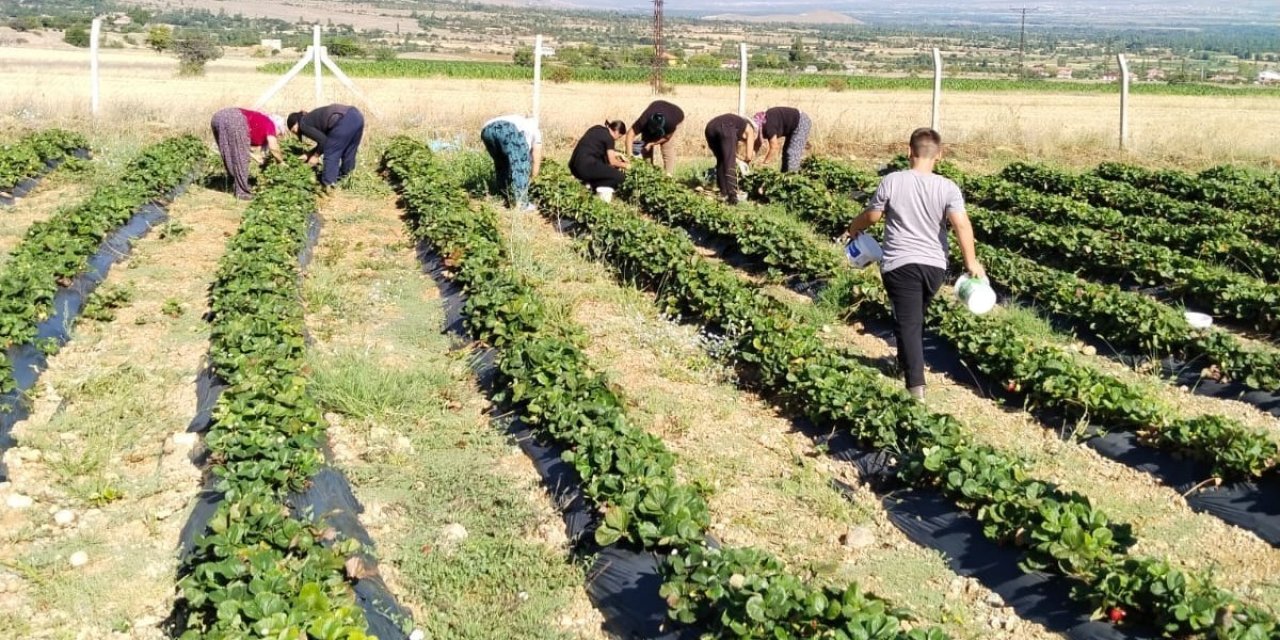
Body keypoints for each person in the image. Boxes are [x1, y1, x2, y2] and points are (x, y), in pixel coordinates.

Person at [844, 127, 985, 400]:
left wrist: (854, 226)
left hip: (900, 264)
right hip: (934, 268)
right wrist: (971, 262)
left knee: (907, 322)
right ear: (939, 155)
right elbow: (962, 225)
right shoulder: (948, 187)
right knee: (912, 318)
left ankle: (915, 389)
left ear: (908, 151)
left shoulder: (893, 180)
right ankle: (903, 363)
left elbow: (873, 216)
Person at [209, 107, 284, 200]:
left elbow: (239, 148)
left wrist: (255, 157)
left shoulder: (261, 123)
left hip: (217, 118)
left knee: (229, 153)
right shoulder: (271, 124)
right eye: (280, 133)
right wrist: (281, 162)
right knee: (241, 160)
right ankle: (242, 192)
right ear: (278, 127)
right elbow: (274, 147)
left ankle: (233, 182)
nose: (278, 136)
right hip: (234, 118)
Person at [286, 104, 365, 188]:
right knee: (349, 151)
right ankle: (347, 178)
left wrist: (315, 156)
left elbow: (324, 142)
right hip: (356, 116)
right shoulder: (309, 118)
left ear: (295, 123)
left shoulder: (303, 124)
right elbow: (325, 141)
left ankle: (329, 184)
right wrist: (309, 154)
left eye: (292, 130)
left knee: (331, 153)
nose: (294, 133)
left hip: (343, 120)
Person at [480, 113, 543, 210]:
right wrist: (533, 177)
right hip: (506, 128)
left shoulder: (521, 122)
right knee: (520, 165)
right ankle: (521, 205)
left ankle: (504, 196)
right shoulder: (535, 130)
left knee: (502, 164)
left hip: (486, 130)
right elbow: (536, 156)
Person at [703, 113, 756, 205]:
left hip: (710, 128)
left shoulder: (737, 126)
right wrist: (747, 159)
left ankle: (724, 192)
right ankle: (732, 197)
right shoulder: (749, 128)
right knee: (729, 163)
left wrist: (738, 159)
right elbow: (749, 154)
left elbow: (732, 153)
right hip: (725, 127)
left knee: (722, 160)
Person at [569, 120, 629, 196]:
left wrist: (618, 154)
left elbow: (595, 148)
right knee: (620, 177)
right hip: (585, 167)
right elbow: (612, 162)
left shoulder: (597, 128)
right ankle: (593, 185)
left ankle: (586, 182)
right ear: (616, 132)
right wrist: (627, 165)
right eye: (619, 136)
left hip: (574, 165)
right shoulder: (609, 138)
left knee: (603, 165)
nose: (617, 139)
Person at [624, 100, 684, 175]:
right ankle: (648, 173)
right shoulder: (644, 119)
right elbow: (630, 134)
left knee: (667, 148)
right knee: (645, 146)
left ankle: (668, 177)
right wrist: (630, 157)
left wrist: (651, 143)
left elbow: (666, 138)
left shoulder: (670, 124)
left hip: (674, 113)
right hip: (656, 106)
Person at [753, 106, 812, 172]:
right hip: (794, 124)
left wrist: (765, 163)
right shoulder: (761, 124)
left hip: (801, 121)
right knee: (786, 153)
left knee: (792, 153)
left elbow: (774, 147)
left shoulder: (768, 127)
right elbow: (757, 144)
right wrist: (750, 159)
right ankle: (784, 176)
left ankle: (793, 178)